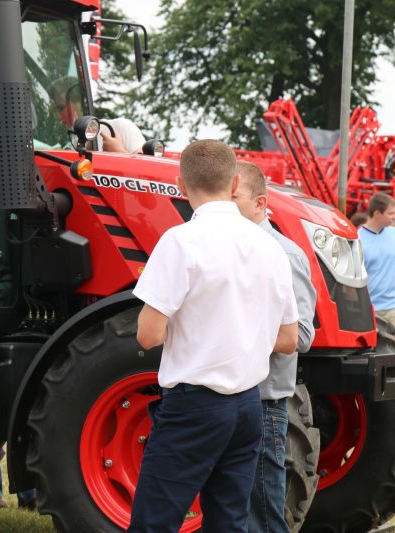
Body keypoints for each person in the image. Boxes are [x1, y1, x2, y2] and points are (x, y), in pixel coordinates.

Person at [128, 140, 299, 533]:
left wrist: (206, 329)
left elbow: (148, 335)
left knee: (154, 521)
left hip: (194, 404)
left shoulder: (179, 241)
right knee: (229, 522)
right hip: (248, 407)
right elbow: (288, 338)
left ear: (180, 186)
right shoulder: (270, 246)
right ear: (235, 181)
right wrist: (239, 331)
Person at [232, 161, 316, 533]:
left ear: (259, 203)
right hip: (229, 397)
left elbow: (302, 335)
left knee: (263, 510)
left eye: (231, 197)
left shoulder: (286, 254)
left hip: (264, 401)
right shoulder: (225, 249)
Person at [358, 192, 395, 335]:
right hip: (369, 310)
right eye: (391, 213)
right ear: (378, 213)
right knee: (373, 354)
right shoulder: (357, 238)